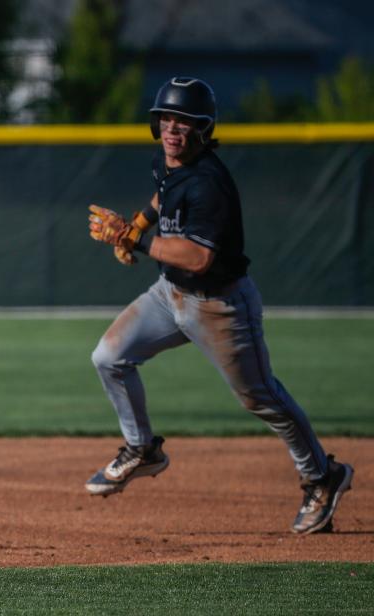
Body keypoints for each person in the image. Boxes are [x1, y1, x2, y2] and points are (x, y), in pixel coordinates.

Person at [84, 77, 353, 534]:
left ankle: (323, 476)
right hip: (169, 295)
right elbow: (162, 192)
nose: (173, 128)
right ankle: (142, 449)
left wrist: (137, 240)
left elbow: (199, 256)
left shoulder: (210, 183)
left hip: (220, 306)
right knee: (109, 356)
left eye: (184, 122)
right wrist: (139, 223)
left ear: (204, 129)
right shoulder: (168, 162)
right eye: (166, 119)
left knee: (261, 398)